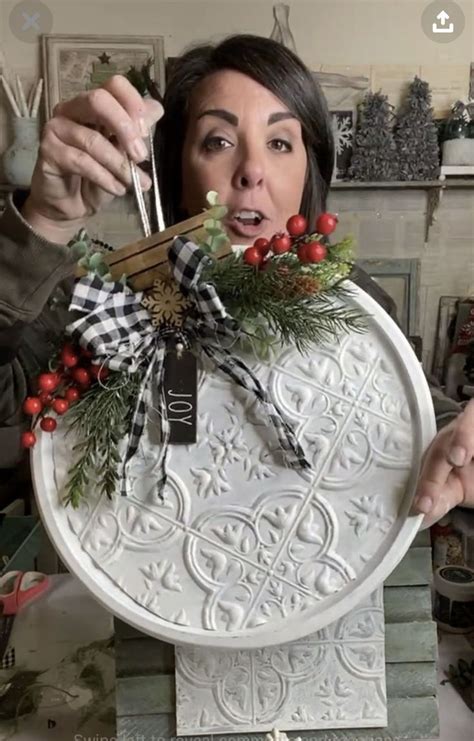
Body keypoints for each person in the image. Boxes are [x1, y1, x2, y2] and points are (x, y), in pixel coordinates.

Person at [0, 34, 472, 529]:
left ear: (309, 174)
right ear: (176, 171)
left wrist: (452, 440)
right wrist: (44, 222)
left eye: (279, 143)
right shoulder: (111, 312)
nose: (250, 170)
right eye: (218, 141)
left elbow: (411, 404)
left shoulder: (351, 302)